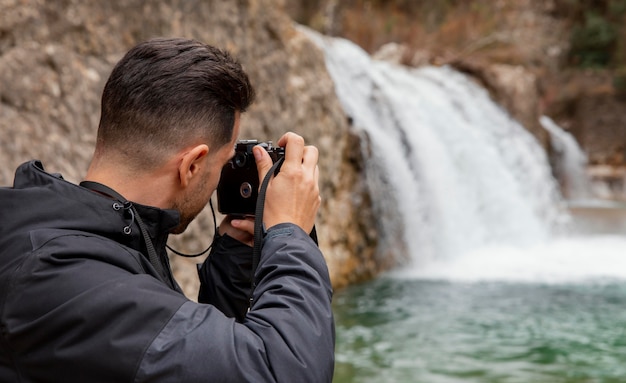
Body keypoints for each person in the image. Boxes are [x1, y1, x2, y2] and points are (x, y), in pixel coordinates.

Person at [0, 37, 335, 382]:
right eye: (224, 162)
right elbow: (284, 374)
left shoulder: (105, 243)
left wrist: (237, 256)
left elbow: (186, 365)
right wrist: (290, 236)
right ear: (192, 165)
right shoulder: (61, 276)